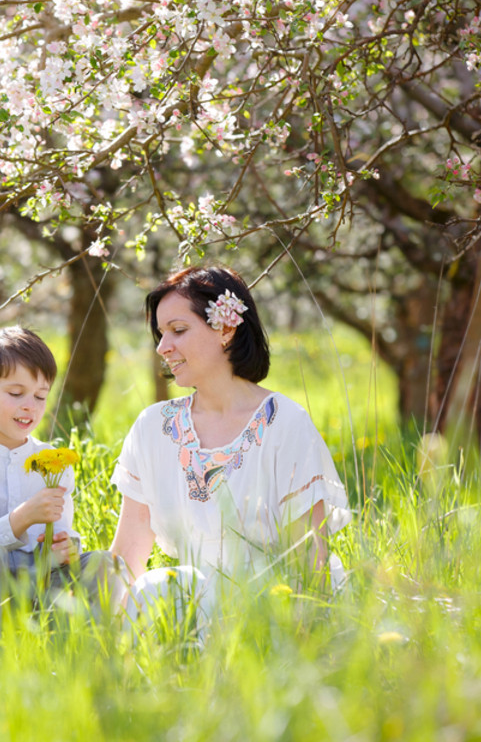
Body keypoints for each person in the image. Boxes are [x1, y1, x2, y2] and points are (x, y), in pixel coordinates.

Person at [108, 265, 351, 625]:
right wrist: (99, 631)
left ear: (225, 328)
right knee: (162, 587)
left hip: (269, 606)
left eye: (178, 330)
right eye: (161, 334)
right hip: (189, 603)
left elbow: (307, 556)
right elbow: (129, 551)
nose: (163, 347)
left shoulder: (285, 422)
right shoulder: (153, 428)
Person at [0, 326, 120, 626]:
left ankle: (73, 655)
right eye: (16, 393)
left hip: (31, 583)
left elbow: (58, 536)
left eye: (41, 396)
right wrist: (23, 516)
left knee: (103, 564)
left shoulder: (53, 462)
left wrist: (65, 548)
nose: (30, 405)